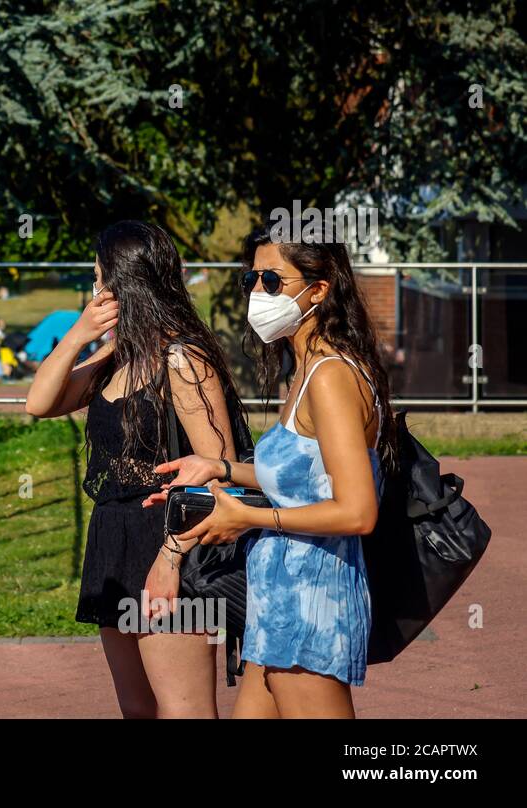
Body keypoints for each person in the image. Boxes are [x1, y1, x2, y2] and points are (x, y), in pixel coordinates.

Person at [148, 226, 394, 719]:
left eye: (272, 281)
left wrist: (249, 519)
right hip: (276, 598)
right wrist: (220, 468)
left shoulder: (332, 376)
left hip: (311, 601)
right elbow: (303, 478)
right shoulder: (305, 372)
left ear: (319, 290)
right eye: (251, 280)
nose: (257, 292)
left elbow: (358, 511)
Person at [25, 220, 242, 719]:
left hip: (167, 541)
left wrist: (170, 560)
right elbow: (38, 403)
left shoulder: (183, 359)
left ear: (123, 284)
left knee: (183, 711)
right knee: (138, 710)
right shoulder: (117, 355)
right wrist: (78, 333)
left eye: (99, 277)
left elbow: (216, 472)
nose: (94, 288)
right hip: (113, 539)